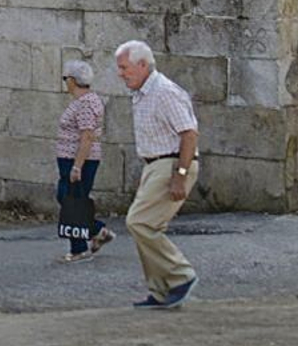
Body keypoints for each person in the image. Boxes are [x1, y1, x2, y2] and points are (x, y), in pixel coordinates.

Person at [118, 40, 201, 308]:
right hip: (155, 165)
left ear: (143, 65)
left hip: (171, 164)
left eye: (125, 68)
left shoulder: (164, 91)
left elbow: (189, 133)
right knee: (148, 226)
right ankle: (160, 291)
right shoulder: (143, 92)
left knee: (138, 222)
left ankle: (180, 275)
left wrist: (180, 174)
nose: (121, 73)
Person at [55, 59, 111, 263]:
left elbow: (86, 136)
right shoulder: (84, 101)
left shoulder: (86, 103)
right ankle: (97, 231)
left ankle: (78, 249)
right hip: (71, 159)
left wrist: (77, 166)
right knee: (66, 198)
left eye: (65, 78)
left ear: (72, 80)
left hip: (77, 160)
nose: (65, 83)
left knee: (73, 202)